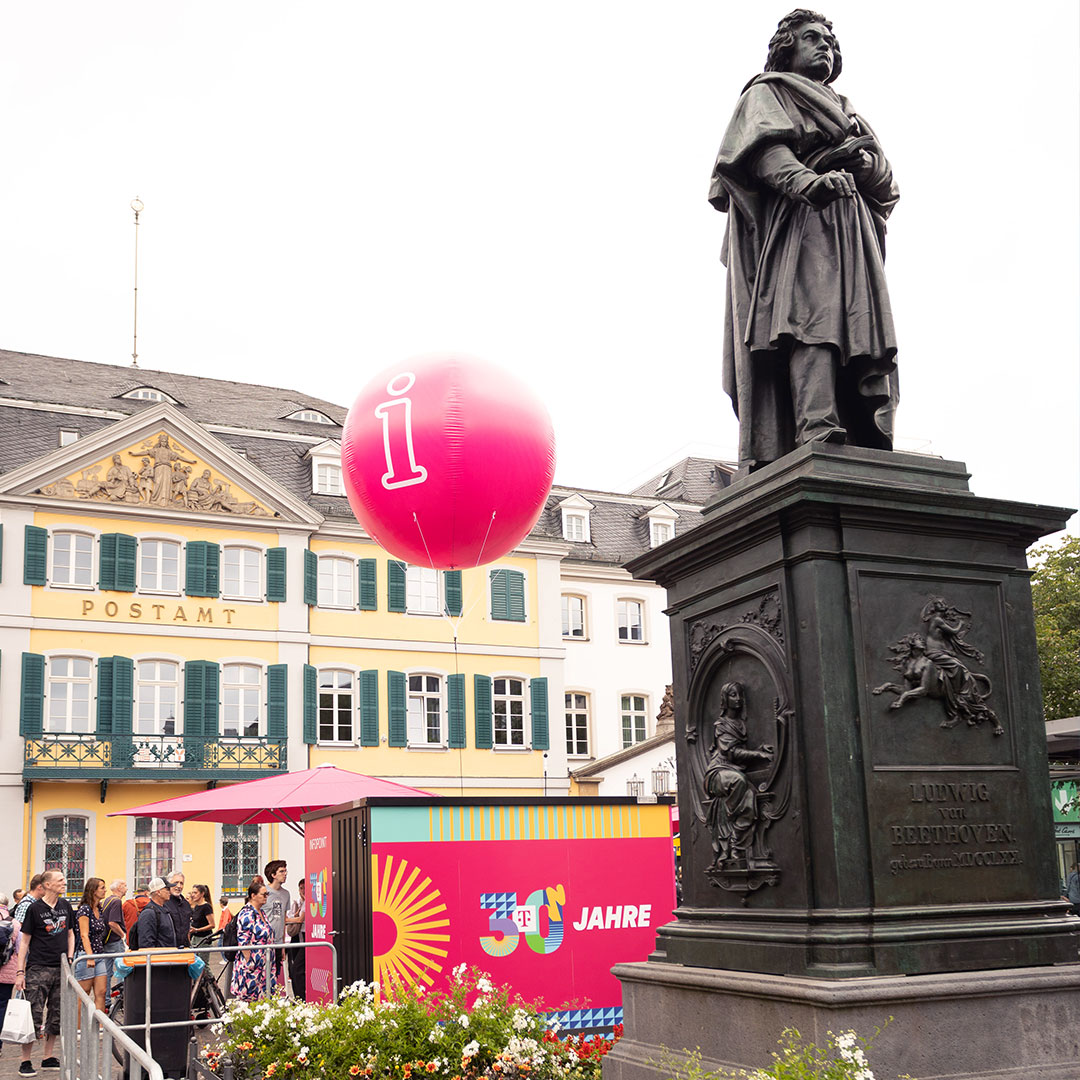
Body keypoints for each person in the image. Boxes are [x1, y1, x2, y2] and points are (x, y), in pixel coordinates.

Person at [708, 9, 899, 471]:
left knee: (858, 326)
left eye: (830, 43)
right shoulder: (767, 92)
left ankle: (859, 427)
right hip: (801, 223)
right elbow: (763, 153)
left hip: (851, 227)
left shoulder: (848, 109)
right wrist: (808, 181)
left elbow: (886, 182)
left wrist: (864, 165)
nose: (824, 48)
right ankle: (816, 423)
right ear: (787, 47)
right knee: (810, 320)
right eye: (813, 38)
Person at [703, 682, 774, 870]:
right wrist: (759, 755)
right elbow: (731, 753)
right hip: (717, 773)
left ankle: (735, 842)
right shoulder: (721, 725)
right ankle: (729, 819)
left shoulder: (740, 724)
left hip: (733, 771)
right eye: (733, 695)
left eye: (740, 695)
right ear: (725, 699)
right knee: (739, 781)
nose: (738, 699)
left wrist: (759, 749)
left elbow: (740, 752)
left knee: (750, 798)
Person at [14, 869, 75, 1076]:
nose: (64, 882)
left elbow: (70, 934)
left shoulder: (66, 905)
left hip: (60, 967)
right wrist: (20, 972)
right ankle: (25, 1060)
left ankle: (48, 1057)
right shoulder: (34, 909)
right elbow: (24, 942)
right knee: (33, 1014)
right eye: (60, 880)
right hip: (38, 968)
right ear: (47, 885)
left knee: (56, 1014)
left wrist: (70, 958)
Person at [230, 881, 275, 1001]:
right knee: (249, 999)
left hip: (264, 963)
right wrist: (250, 962)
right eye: (263, 894)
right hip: (252, 964)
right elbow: (243, 941)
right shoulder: (247, 913)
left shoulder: (261, 912)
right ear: (253, 895)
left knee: (264, 998)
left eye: (267, 894)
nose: (266, 897)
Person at [74, 878, 108, 1015]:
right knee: (84, 994)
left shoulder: (99, 908)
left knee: (101, 992)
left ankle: (100, 1025)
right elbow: (84, 935)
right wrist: (89, 956)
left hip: (99, 953)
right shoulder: (84, 909)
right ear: (93, 891)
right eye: (102, 888)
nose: (105, 890)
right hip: (86, 954)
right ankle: (78, 1026)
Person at [263, 861, 290, 983]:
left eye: (285, 871)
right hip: (264, 942)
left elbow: (283, 920)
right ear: (273, 875)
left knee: (275, 977)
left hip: (278, 942)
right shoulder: (264, 892)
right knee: (263, 977)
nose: (285, 874)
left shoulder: (286, 894)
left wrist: (283, 945)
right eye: (281, 871)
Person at [134, 879, 176, 949]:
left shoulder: (164, 910)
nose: (170, 892)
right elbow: (146, 944)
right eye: (167, 889)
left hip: (168, 954)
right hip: (159, 955)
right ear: (158, 892)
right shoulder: (148, 913)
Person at [100, 880, 127, 991]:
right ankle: (120, 995)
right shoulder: (117, 901)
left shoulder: (106, 900)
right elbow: (112, 923)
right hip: (115, 941)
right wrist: (123, 935)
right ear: (119, 888)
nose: (127, 888)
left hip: (106, 941)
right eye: (125, 886)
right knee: (121, 970)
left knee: (107, 972)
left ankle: (106, 998)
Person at [285, 879, 306, 1001]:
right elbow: (291, 917)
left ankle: (302, 997)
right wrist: (293, 916)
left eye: (305, 888)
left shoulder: (309, 903)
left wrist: (286, 920)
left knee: (298, 968)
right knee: (293, 969)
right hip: (296, 936)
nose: (303, 891)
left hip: (306, 936)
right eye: (301, 888)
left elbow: (300, 920)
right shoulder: (296, 903)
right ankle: (298, 997)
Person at [164, 871, 192, 947]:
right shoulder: (163, 902)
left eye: (181, 883)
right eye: (176, 882)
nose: (179, 886)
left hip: (184, 947)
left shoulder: (186, 904)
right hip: (168, 948)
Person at [188, 886, 214, 950]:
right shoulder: (196, 906)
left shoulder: (206, 907)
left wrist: (197, 930)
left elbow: (212, 925)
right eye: (192, 893)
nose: (193, 895)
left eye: (195, 893)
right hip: (194, 938)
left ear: (202, 894)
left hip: (204, 939)